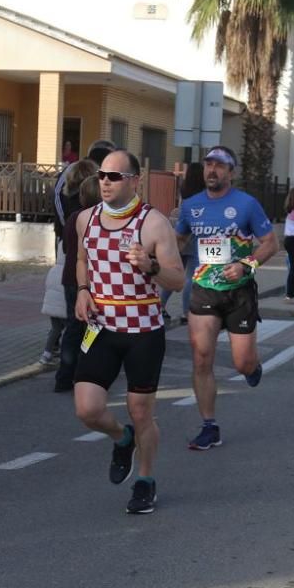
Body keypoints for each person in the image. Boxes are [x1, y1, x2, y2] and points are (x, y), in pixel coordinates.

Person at [73, 150, 184, 514]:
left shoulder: (153, 224)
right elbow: (82, 260)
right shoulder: (85, 219)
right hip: (101, 327)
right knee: (87, 409)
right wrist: (83, 290)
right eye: (102, 175)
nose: (105, 181)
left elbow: (178, 280)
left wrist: (150, 266)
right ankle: (122, 439)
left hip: (142, 329)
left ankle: (145, 481)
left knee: (140, 410)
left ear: (134, 180)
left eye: (114, 176)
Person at [175, 146, 278, 450]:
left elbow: (270, 243)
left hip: (239, 291)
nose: (212, 170)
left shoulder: (246, 204)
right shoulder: (191, 206)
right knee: (201, 357)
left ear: (230, 172)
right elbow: (179, 239)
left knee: (242, 362)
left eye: (220, 166)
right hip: (204, 289)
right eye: (208, 164)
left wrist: (247, 264)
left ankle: (252, 367)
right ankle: (210, 426)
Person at [53, 160, 101, 392]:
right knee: (91, 327)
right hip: (91, 281)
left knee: (73, 326)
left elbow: (65, 248)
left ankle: (64, 374)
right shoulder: (100, 221)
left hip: (70, 278)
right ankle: (84, 373)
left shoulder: (73, 218)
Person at [160, 162, 204, 322]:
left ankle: (160, 306)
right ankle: (187, 312)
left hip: (179, 235)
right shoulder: (204, 194)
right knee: (190, 277)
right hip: (195, 237)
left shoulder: (184, 190)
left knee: (175, 273)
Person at [53, 139, 114, 239]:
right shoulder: (74, 169)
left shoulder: (106, 173)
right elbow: (58, 196)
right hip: (69, 231)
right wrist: (65, 226)